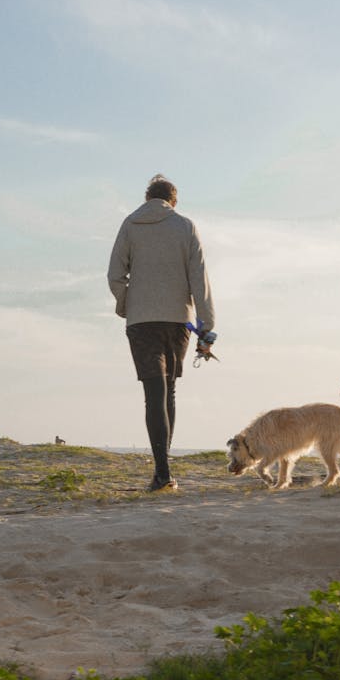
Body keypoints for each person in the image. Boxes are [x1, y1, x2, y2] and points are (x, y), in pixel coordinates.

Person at [107, 175, 215, 492]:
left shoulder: (129, 224)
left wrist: (128, 304)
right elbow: (200, 280)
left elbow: (115, 275)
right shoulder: (185, 226)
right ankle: (163, 471)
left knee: (153, 394)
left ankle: (163, 474)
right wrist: (206, 328)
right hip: (178, 321)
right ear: (172, 200)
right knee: (169, 392)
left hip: (142, 322)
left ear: (147, 197)